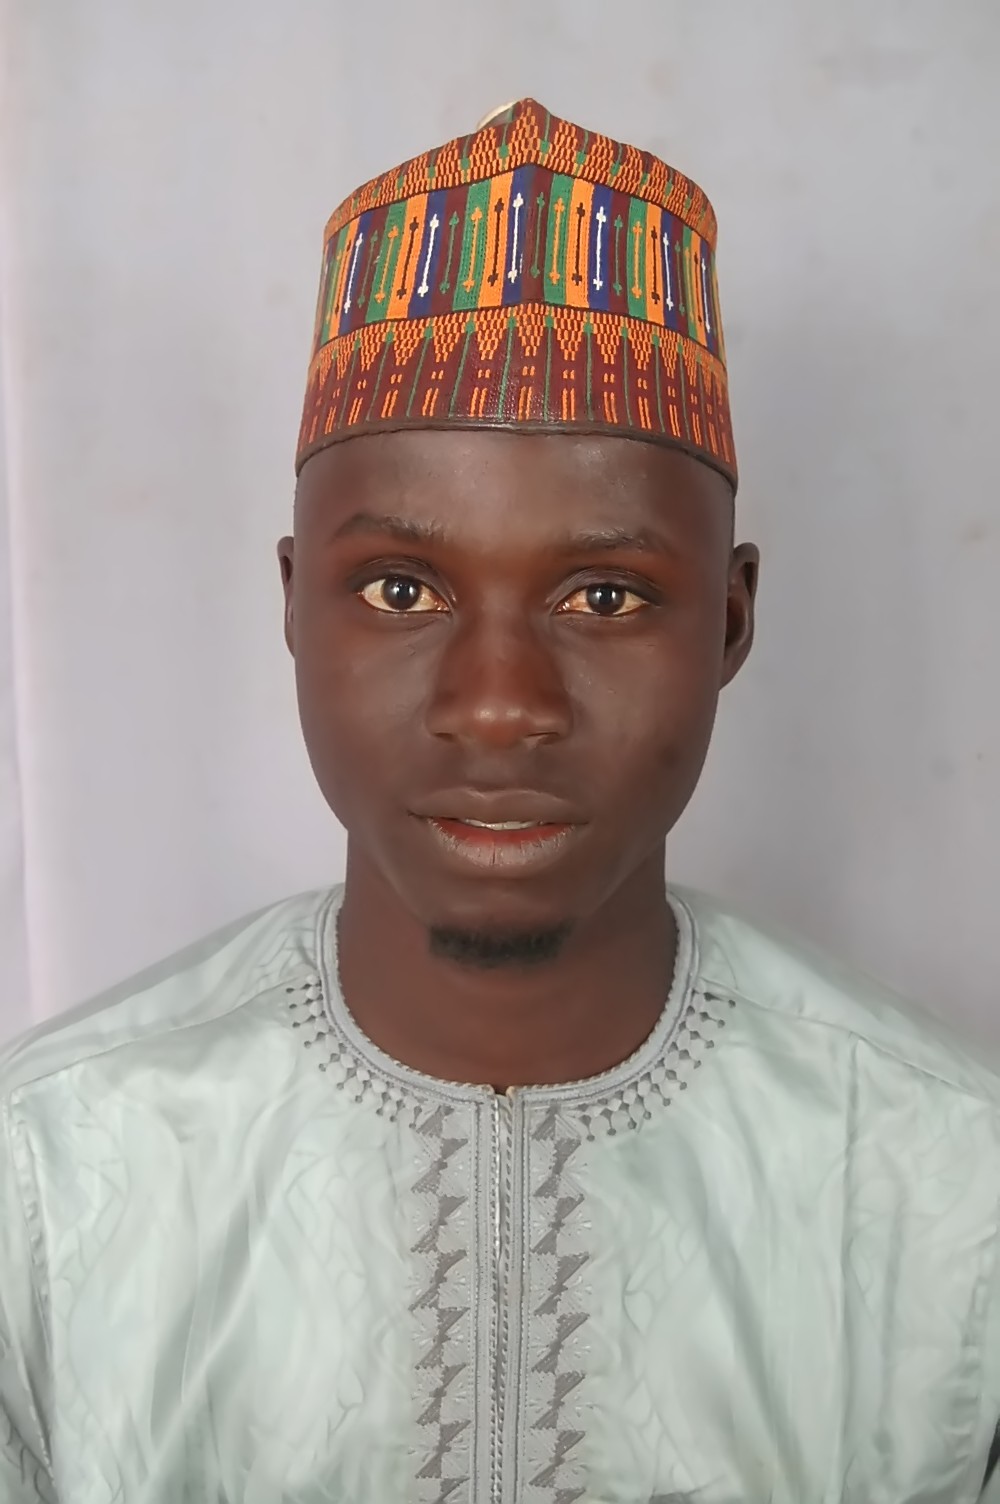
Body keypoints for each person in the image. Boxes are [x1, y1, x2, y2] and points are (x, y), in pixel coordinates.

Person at [0, 97, 997, 1504]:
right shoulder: (48, 1182)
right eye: (401, 589)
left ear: (729, 621)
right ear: (293, 607)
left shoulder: (955, 1194)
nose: (498, 705)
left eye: (606, 597)